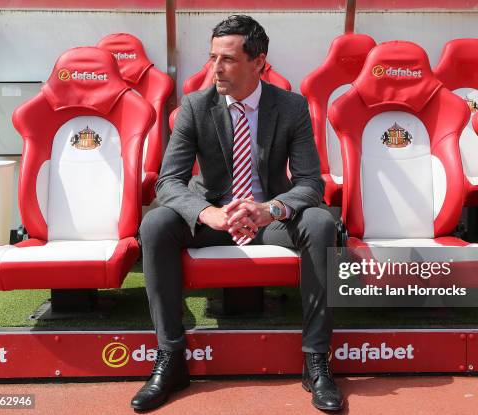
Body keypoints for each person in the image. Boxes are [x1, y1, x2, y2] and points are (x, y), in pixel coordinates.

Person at [131, 15, 343, 412]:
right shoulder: (195, 105)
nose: (215, 68)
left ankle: (315, 359)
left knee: (320, 221)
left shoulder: (291, 107)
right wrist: (207, 213)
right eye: (212, 58)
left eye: (226, 59)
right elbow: (168, 182)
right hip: (213, 217)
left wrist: (271, 208)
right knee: (156, 222)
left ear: (259, 62)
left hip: (268, 219)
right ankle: (171, 357)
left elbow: (311, 183)